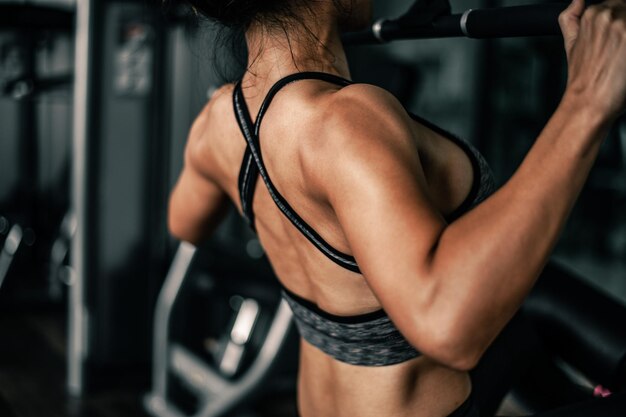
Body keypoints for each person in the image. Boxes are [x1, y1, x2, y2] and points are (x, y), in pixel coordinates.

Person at [167, 0, 626, 415]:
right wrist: (587, 101)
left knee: (534, 296)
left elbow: (185, 223)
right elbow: (448, 327)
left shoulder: (218, 121)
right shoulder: (345, 121)